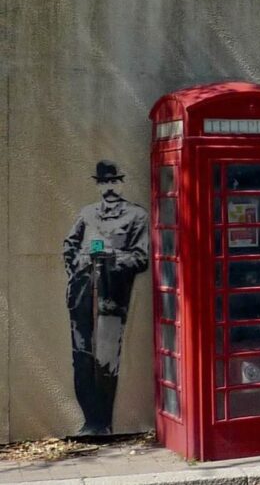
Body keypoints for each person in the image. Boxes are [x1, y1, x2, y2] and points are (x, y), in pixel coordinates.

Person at [62, 161, 149, 436]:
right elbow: (69, 246)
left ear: (121, 183)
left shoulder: (137, 216)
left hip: (112, 298)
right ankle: (89, 422)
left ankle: (104, 423)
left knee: (106, 361)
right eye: (104, 182)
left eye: (114, 181)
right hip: (81, 298)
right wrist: (78, 265)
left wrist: (113, 258)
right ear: (98, 184)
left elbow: (141, 257)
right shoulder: (87, 214)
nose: (109, 187)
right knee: (82, 358)